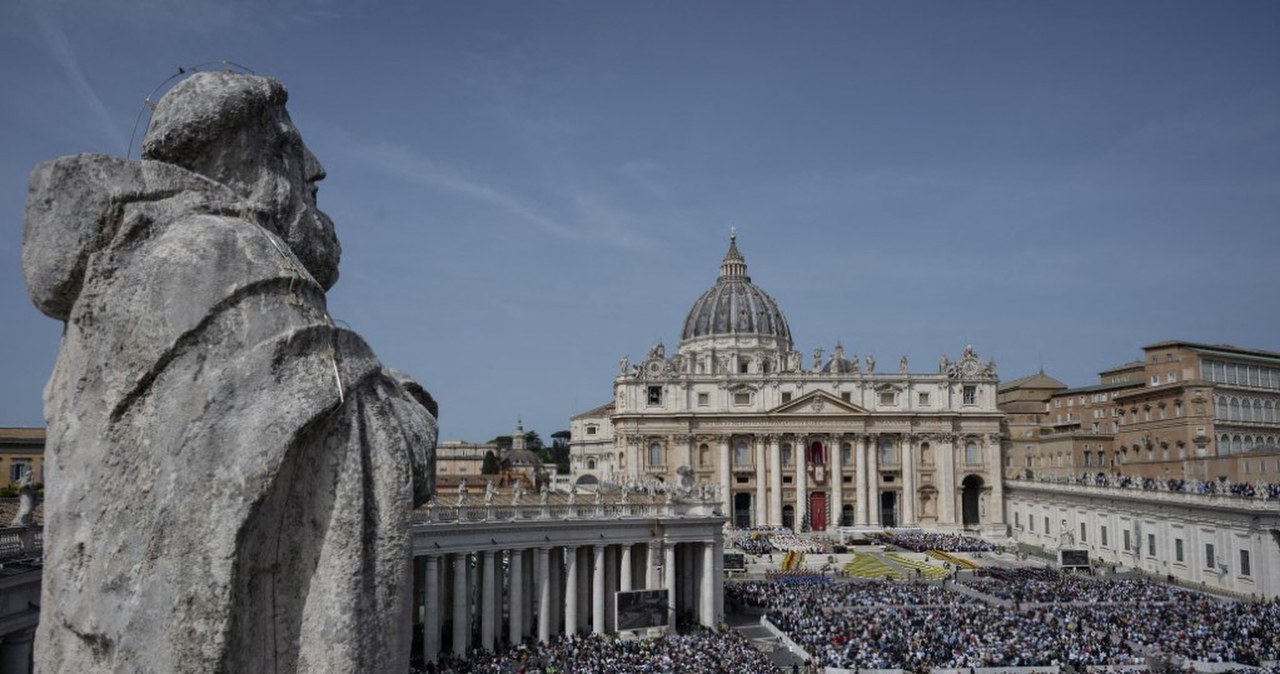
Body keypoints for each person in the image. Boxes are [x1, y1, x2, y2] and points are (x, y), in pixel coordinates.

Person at [24, 71, 435, 673]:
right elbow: (364, 435)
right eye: (294, 148)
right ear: (251, 154)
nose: (316, 169)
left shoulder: (117, 276)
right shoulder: (231, 258)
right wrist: (409, 399)